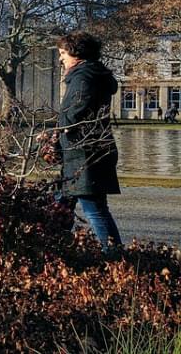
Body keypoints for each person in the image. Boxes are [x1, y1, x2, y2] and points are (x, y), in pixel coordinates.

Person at [53, 31, 122, 255]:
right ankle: (52, 248)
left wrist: (57, 130)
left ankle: (114, 257)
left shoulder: (84, 76)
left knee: (94, 209)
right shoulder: (93, 74)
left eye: (63, 53)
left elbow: (75, 111)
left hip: (83, 152)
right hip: (88, 149)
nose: (61, 59)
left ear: (77, 54)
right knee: (62, 204)